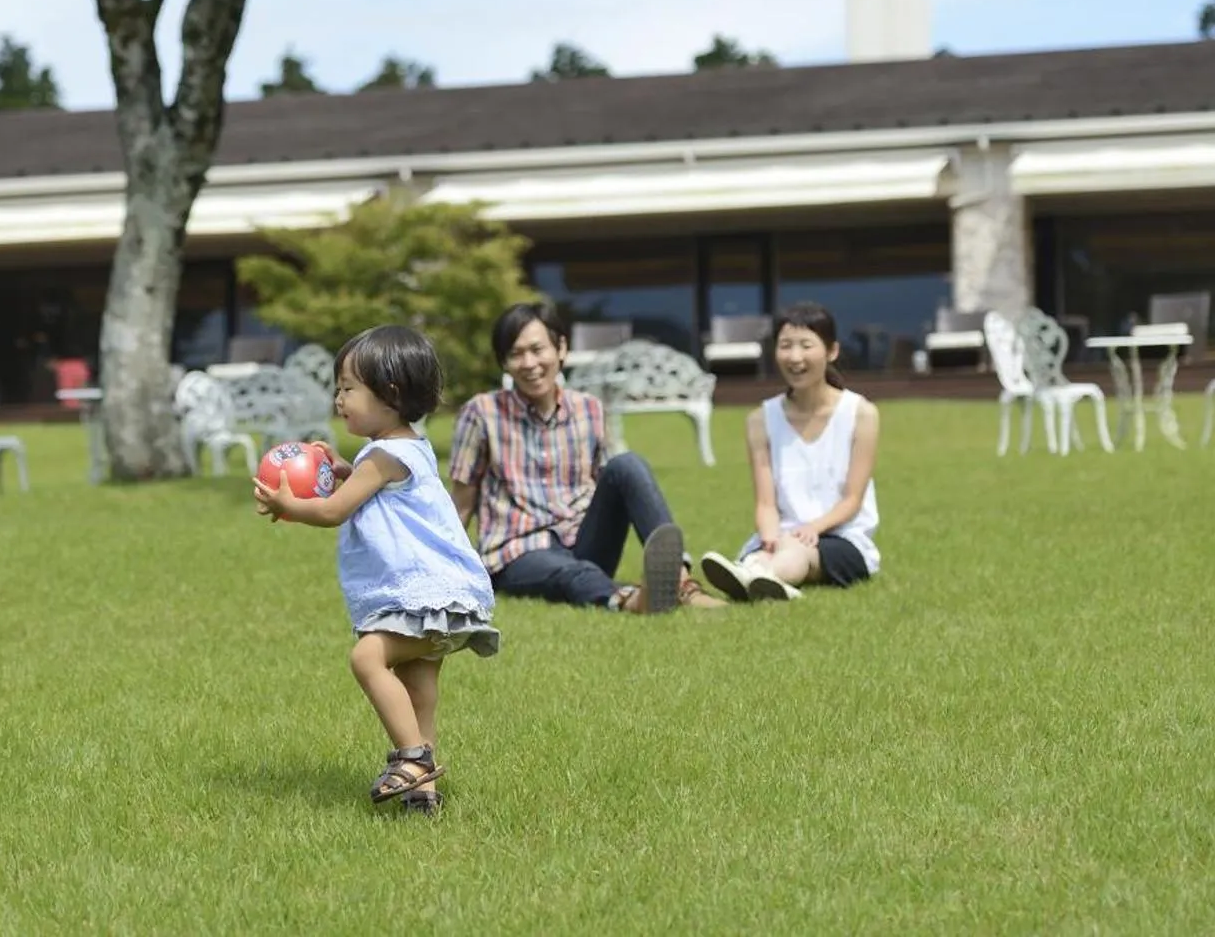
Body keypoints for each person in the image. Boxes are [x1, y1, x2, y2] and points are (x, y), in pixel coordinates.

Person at [254, 324, 499, 817]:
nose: (338, 399)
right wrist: (348, 471)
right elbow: (377, 490)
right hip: (446, 594)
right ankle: (422, 794)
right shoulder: (405, 448)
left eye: (348, 388)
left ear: (389, 394)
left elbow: (333, 511)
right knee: (417, 685)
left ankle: (411, 759)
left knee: (368, 659)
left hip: (425, 596)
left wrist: (288, 504)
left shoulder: (384, 457)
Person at [446, 301, 726, 614]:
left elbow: (610, 485)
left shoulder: (589, 408)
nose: (529, 363)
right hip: (518, 552)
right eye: (516, 354)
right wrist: (443, 568)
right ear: (504, 363)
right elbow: (462, 502)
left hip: (582, 541)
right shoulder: (481, 413)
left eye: (537, 350)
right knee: (569, 573)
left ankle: (679, 581)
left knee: (627, 465)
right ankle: (630, 600)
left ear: (561, 348)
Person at [699, 302, 882, 601]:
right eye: (785, 346)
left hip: (843, 538)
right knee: (772, 549)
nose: (795, 357)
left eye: (806, 346)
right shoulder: (760, 420)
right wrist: (769, 535)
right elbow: (766, 503)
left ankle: (762, 576)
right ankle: (757, 572)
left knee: (797, 551)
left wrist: (813, 528)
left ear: (832, 351)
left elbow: (852, 499)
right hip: (782, 534)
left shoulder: (861, 414)